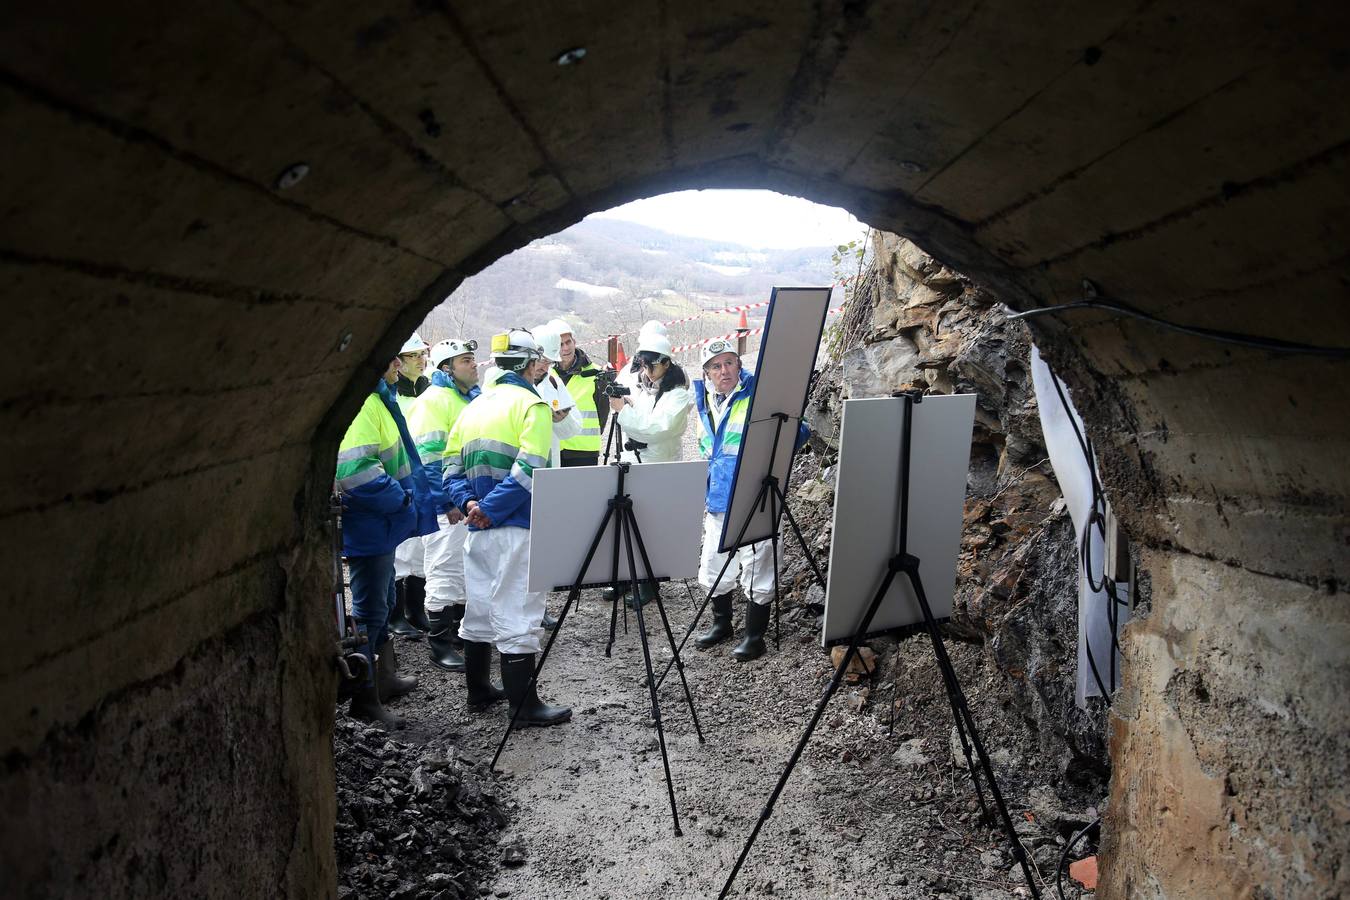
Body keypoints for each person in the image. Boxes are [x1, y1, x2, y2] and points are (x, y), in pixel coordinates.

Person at [445, 330, 572, 726]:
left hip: (476, 529)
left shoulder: (473, 407)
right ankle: (524, 707)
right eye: (540, 360)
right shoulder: (532, 405)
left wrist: (470, 505)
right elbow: (531, 465)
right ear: (529, 363)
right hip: (515, 523)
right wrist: (493, 510)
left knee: (479, 608)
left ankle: (479, 691)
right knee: (519, 608)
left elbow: (448, 466)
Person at [335, 354, 439, 726]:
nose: (398, 364)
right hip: (371, 525)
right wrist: (402, 500)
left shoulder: (378, 398)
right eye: (392, 358)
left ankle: (385, 680)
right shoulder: (364, 404)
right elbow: (355, 471)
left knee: (386, 599)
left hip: (381, 525)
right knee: (370, 610)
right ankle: (365, 700)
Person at [691, 339, 808, 662]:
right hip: (718, 498)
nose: (724, 370)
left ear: (739, 366)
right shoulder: (705, 401)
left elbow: (798, 432)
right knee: (714, 565)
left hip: (755, 495)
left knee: (759, 563)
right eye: (716, 366)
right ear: (707, 372)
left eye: (729, 362)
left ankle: (754, 636)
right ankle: (722, 624)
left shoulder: (759, 395)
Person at [408, 338, 480, 671]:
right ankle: (438, 644)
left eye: (472, 359)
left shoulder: (468, 399)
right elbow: (427, 458)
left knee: (465, 569)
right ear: (447, 368)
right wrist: (446, 502)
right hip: (445, 506)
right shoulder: (434, 402)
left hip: (464, 500)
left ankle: (457, 635)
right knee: (443, 568)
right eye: (466, 360)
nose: (474, 364)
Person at [390, 331, 433, 636]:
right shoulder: (392, 394)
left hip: (422, 475)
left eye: (422, 354)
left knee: (419, 547)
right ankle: (395, 615)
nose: (421, 360)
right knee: (401, 547)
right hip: (400, 475)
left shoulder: (427, 391)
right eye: (413, 356)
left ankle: (416, 610)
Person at [549, 317, 608, 467]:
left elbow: (603, 413)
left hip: (584, 452)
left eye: (568, 342)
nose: (566, 348)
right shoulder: (545, 372)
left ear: (574, 342)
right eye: (560, 344)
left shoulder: (595, 373)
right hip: (553, 448)